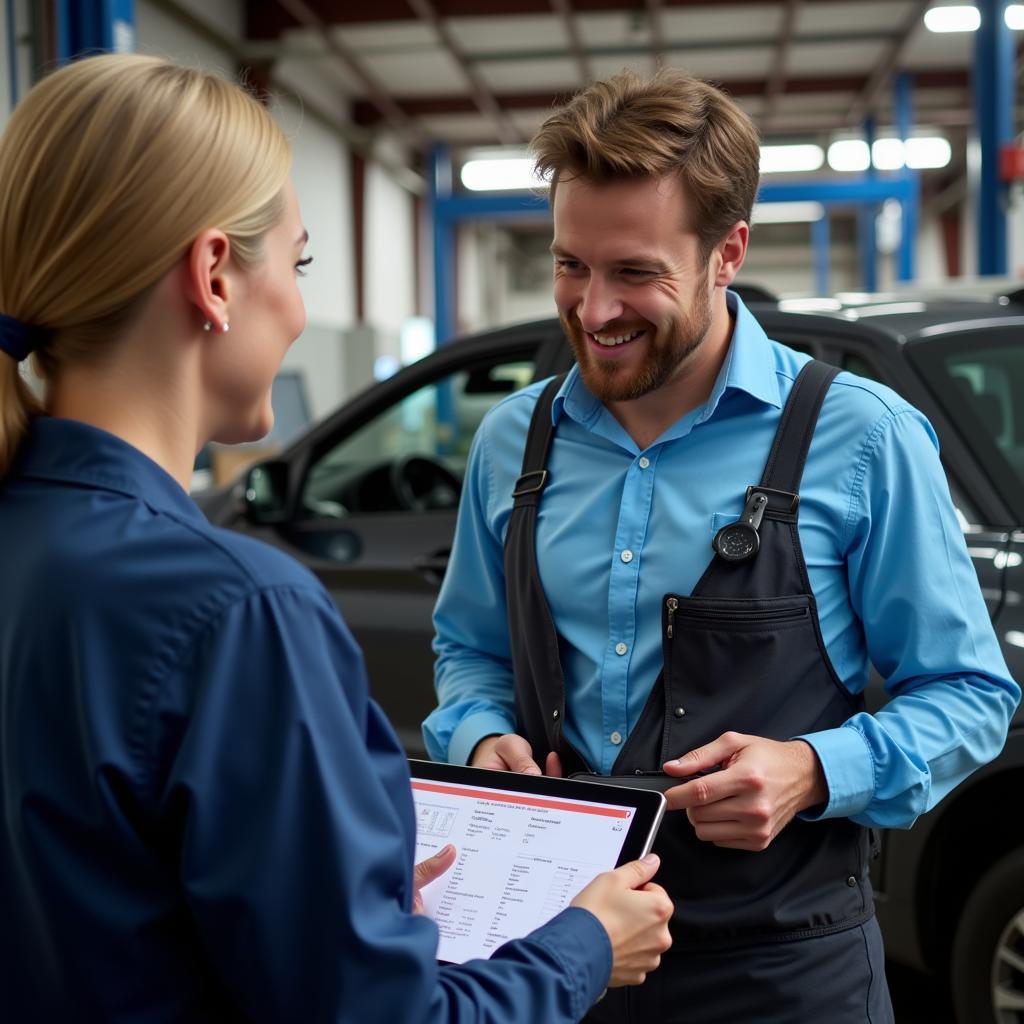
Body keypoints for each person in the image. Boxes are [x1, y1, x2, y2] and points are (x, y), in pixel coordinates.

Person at [0, 54, 674, 1024]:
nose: (301, 305)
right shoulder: (238, 609)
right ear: (214, 276)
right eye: (301, 261)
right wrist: (580, 945)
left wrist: (322, 882)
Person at [425, 69, 1021, 1023]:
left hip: (784, 975)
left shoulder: (862, 439)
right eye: (572, 264)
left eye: (635, 273)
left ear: (727, 251)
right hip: (560, 958)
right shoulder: (512, 443)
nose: (593, 310)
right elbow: (470, 651)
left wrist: (819, 770)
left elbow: (971, 694)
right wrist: (479, 734)